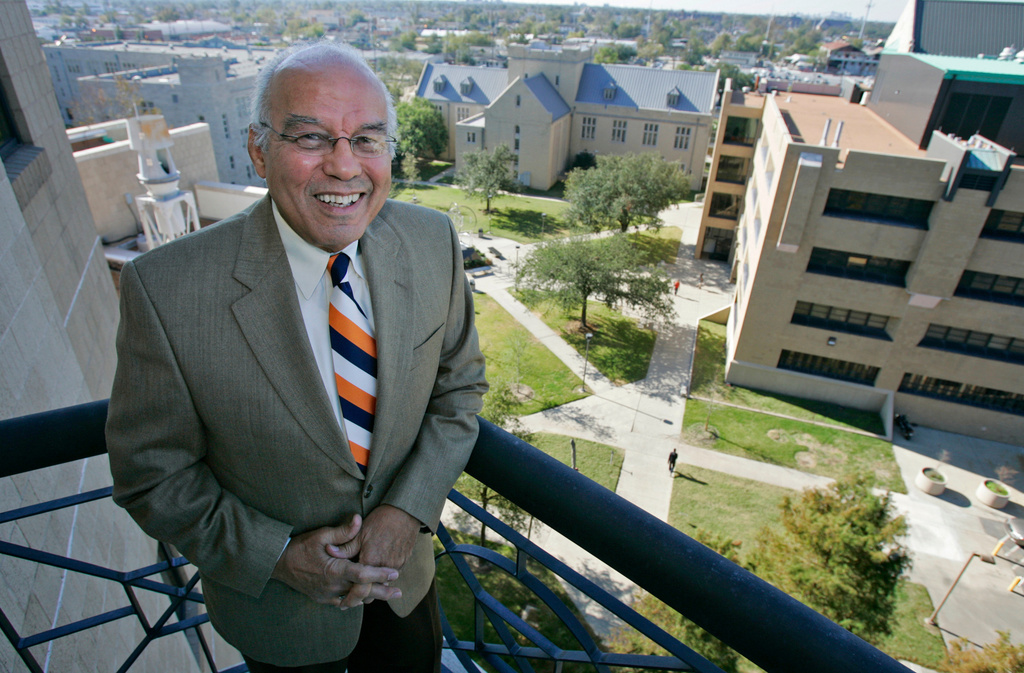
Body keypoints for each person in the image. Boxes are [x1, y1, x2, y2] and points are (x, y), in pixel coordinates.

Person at [105, 41, 487, 673]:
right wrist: (279, 556)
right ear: (259, 150)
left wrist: (407, 507)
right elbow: (152, 474)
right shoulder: (167, 290)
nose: (345, 167)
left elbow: (459, 388)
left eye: (367, 139)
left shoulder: (432, 241)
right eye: (311, 138)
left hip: (404, 589)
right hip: (278, 619)